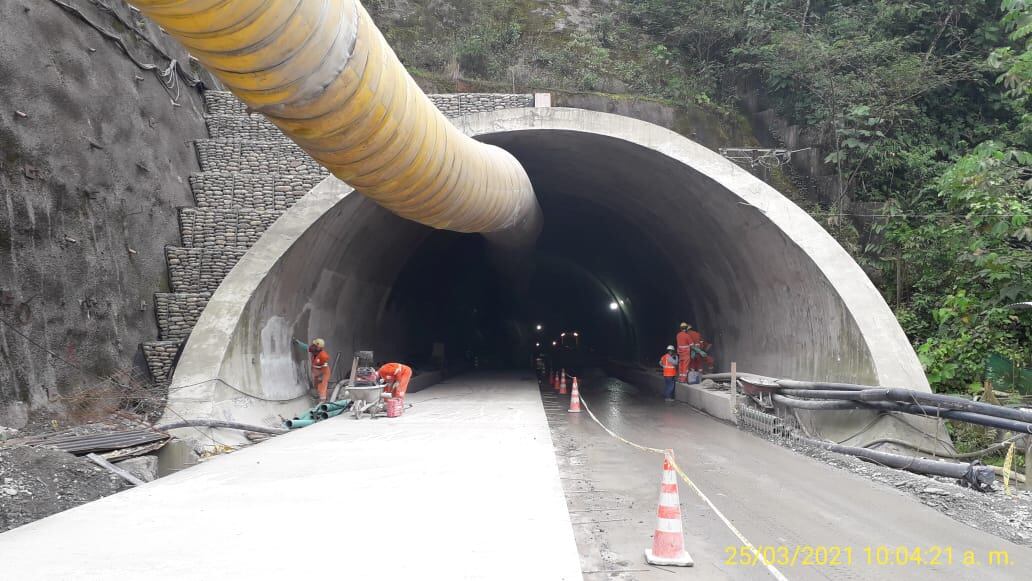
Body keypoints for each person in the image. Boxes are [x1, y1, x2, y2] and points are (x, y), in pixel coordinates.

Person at [307, 338, 331, 403]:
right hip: (317, 373)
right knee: (316, 385)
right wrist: (298, 343)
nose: (313, 346)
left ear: (318, 347)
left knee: (322, 385)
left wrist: (320, 375)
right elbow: (306, 347)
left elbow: (324, 367)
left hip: (324, 372)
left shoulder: (323, 356)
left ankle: (323, 401)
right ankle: (317, 396)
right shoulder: (314, 351)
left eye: (314, 345)